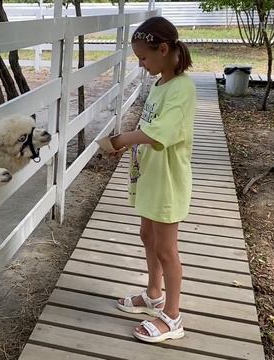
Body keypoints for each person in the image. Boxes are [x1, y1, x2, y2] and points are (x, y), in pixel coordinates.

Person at [96, 16, 196, 343]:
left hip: (167, 182)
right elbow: (149, 125)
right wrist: (127, 147)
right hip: (149, 176)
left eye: (144, 57)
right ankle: (154, 294)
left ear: (164, 49)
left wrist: (122, 140)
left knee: (166, 249)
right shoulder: (159, 83)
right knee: (147, 235)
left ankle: (173, 315)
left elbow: (159, 133)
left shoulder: (182, 88)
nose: (141, 64)